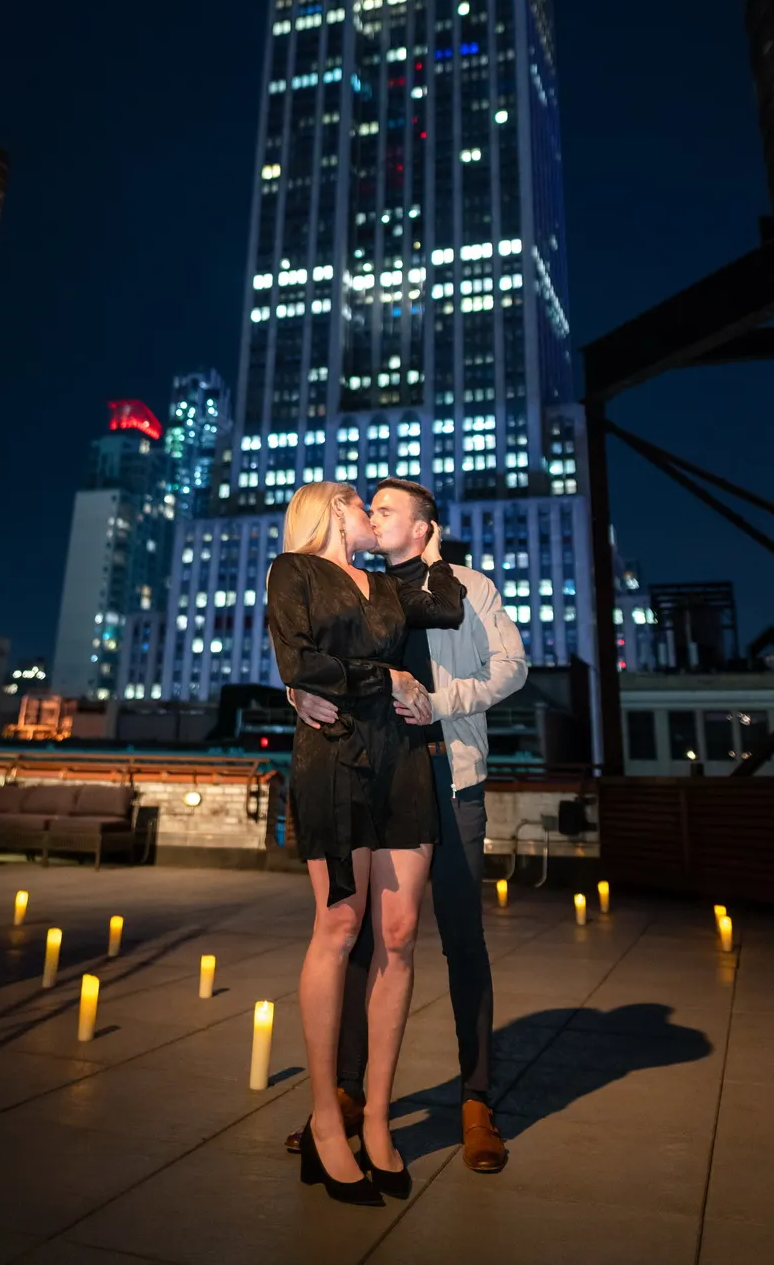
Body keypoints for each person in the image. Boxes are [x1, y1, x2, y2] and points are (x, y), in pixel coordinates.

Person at [285, 477, 527, 1174]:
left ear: (423, 526)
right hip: (375, 780)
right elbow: (316, 657)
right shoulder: (359, 587)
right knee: (360, 938)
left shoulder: (467, 586)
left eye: (388, 508)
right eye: (371, 507)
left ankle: (476, 1100)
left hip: (450, 777)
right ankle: (348, 1095)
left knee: (460, 938)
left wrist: (440, 699)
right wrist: (298, 690)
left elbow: (511, 668)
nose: (375, 514)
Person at [266, 480, 467, 1207]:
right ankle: (327, 1119)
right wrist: (387, 675)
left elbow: (445, 604)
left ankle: (377, 1117)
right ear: (331, 510)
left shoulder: (386, 584)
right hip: (334, 752)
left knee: (402, 932)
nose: (368, 512)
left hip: (403, 758)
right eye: (359, 501)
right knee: (340, 923)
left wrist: (435, 547)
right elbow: (301, 664)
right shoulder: (292, 570)